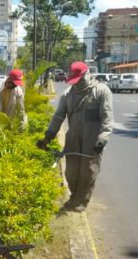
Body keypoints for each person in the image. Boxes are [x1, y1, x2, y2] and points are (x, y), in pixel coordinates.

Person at [36, 61, 114, 212]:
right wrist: (48, 136)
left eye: (79, 79)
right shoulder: (68, 95)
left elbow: (107, 118)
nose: (76, 83)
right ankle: (74, 196)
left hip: (92, 140)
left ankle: (81, 201)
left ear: (86, 74)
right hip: (73, 138)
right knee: (71, 171)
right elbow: (58, 117)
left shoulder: (101, 91)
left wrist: (103, 138)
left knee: (88, 171)